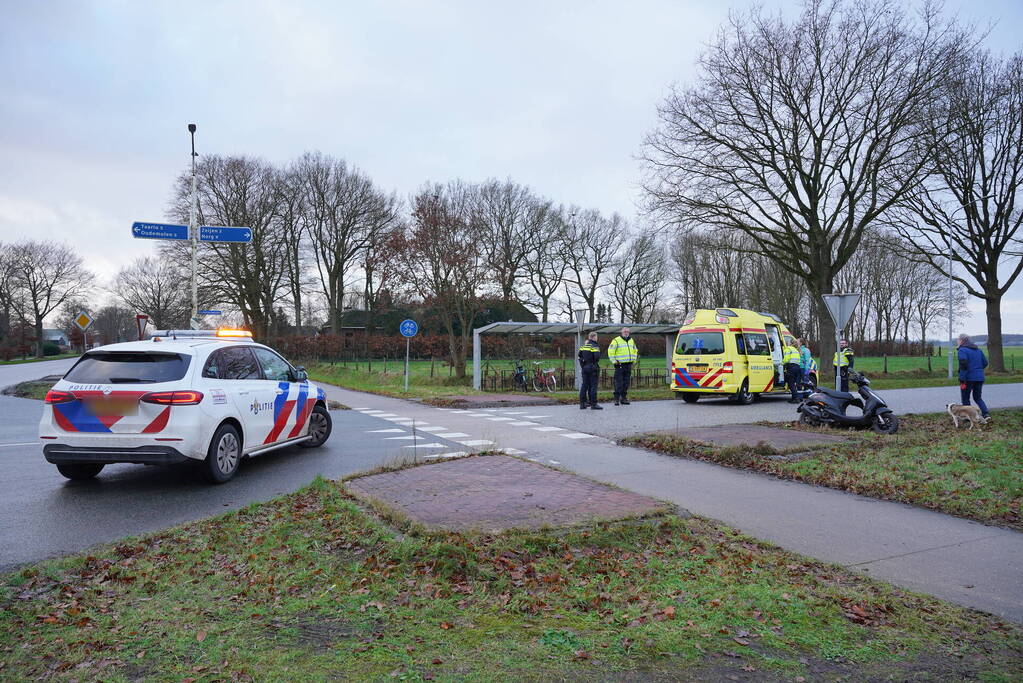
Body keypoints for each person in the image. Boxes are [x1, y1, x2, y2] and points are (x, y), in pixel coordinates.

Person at [957, 334, 990, 419]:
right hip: (979, 377)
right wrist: (978, 370)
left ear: (962, 341)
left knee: (965, 398)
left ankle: (969, 417)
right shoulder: (978, 350)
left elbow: (963, 365)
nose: (957, 341)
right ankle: (986, 414)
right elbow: (985, 363)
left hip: (968, 378)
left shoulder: (962, 350)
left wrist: (962, 379)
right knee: (978, 398)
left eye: (958, 340)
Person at [608, 326, 639, 405]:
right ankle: (616, 399)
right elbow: (610, 351)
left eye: (627, 331)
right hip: (619, 365)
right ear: (621, 332)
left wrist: (634, 360)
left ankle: (623, 398)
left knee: (626, 382)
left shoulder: (631, 340)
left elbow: (635, 350)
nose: (626, 333)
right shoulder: (616, 340)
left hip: (628, 364)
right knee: (618, 382)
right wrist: (614, 361)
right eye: (625, 331)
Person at [577, 332, 603, 410]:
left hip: (585, 368)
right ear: (594, 337)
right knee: (593, 386)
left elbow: (579, 356)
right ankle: (593, 404)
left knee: (584, 385)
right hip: (592, 367)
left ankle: (582, 404)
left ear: (589, 337)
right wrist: (594, 365)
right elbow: (597, 357)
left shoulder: (583, 346)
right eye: (596, 337)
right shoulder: (595, 345)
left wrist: (583, 365)